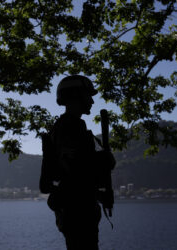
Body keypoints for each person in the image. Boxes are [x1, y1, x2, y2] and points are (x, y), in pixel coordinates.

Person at [43, 75, 115, 250]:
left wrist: (98, 192)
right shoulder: (69, 127)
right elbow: (75, 169)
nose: (91, 101)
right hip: (77, 212)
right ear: (76, 96)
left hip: (76, 208)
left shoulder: (68, 126)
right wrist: (104, 160)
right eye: (88, 96)